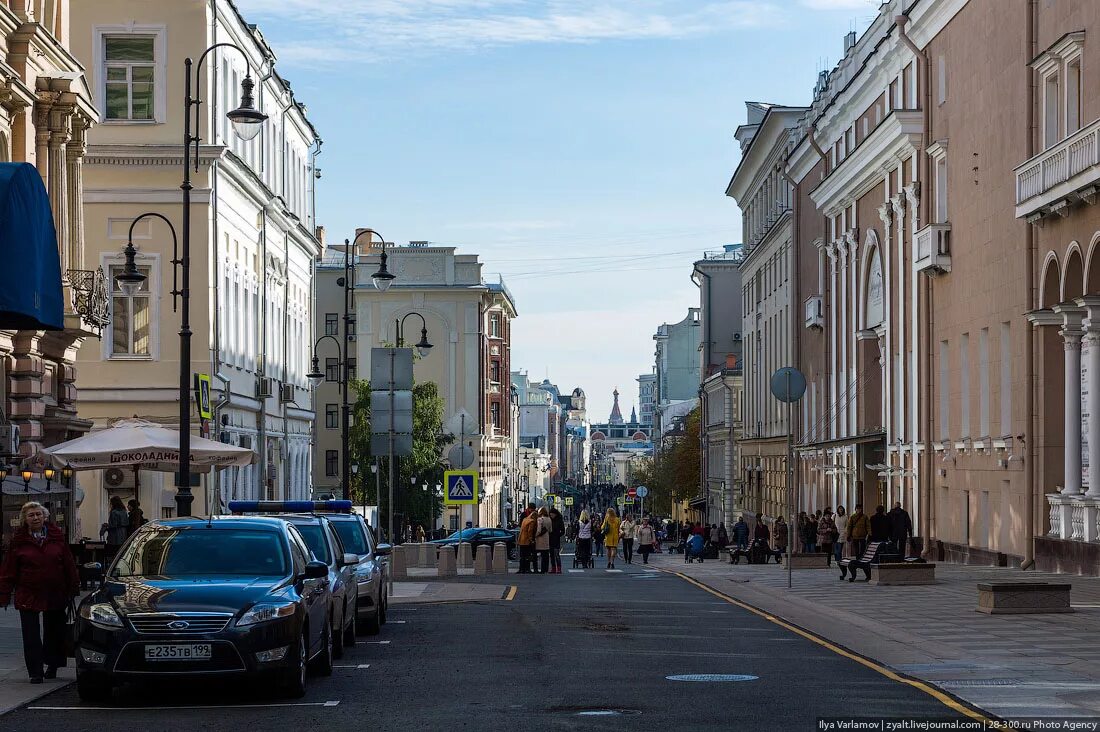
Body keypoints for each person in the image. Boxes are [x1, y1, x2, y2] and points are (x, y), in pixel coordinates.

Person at [0, 502, 79, 684]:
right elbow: (9, 569)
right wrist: (4, 594)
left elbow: (68, 563)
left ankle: (53, 665)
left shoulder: (56, 537)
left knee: (54, 631)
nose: (35, 518)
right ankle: (35, 671)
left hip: (55, 591)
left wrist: (73, 587)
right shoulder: (18, 542)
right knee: (31, 634)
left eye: (38, 514)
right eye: (31, 515)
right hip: (28, 592)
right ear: (25, 520)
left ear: (45, 517)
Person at [517, 509, 537, 574]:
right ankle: (527, 569)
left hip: (521, 540)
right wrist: (531, 540)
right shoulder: (531, 521)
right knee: (527, 555)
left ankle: (521, 569)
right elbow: (529, 532)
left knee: (522, 556)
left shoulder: (525, 520)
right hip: (526, 541)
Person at [534, 507, 552, 574]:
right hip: (546, 539)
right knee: (546, 556)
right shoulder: (549, 519)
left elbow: (539, 530)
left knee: (538, 555)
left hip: (540, 539)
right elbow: (550, 530)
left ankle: (541, 570)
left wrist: (535, 536)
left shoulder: (540, 519)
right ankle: (545, 569)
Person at [548, 506, 566, 574]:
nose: (551, 515)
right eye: (550, 514)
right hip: (550, 539)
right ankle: (553, 569)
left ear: (555, 514)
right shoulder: (550, 520)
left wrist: (558, 535)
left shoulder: (559, 520)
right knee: (551, 555)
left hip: (556, 539)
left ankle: (559, 568)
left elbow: (563, 531)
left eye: (552, 514)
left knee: (556, 555)